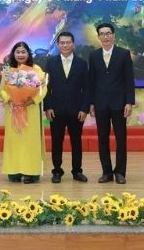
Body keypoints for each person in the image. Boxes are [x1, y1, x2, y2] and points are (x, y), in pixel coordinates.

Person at [87, 22, 135, 184]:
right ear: (99, 37)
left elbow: (129, 80)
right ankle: (106, 172)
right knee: (102, 138)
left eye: (108, 33)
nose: (105, 36)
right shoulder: (93, 55)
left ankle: (120, 172)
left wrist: (129, 102)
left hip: (119, 103)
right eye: (102, 34)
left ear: (114, 35)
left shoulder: (123, 54)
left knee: (121, 138)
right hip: (100, 104)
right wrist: (91, 103)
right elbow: (91, 81)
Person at [43, 31, 89, 183]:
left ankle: (77, 171)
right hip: (55, 110)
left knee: (77, 142)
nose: (65, 45)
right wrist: (47, 107)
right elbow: (46, 88)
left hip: (77, 111)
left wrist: (84, 109)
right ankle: (57, 171)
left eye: (68, 42)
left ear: (73, 44)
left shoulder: (82, 63)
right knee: (57, 141)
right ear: (58, 45)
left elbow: (86, 88)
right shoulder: (51, 63)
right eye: (62, 43)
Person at [0, 41, 47, 184]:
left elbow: (42, 87)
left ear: (28, 53)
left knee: (30, 142)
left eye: (23, 52)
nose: (20, 54)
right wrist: (10, 99)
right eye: (18, 52)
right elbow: (2, 89)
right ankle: (14, 171)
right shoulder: (7, 70)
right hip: (13, 110)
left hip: (31, 111)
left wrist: (32, 100)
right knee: (14, 141)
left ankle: (32, 172)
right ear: (13, 54)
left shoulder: (36, 68)